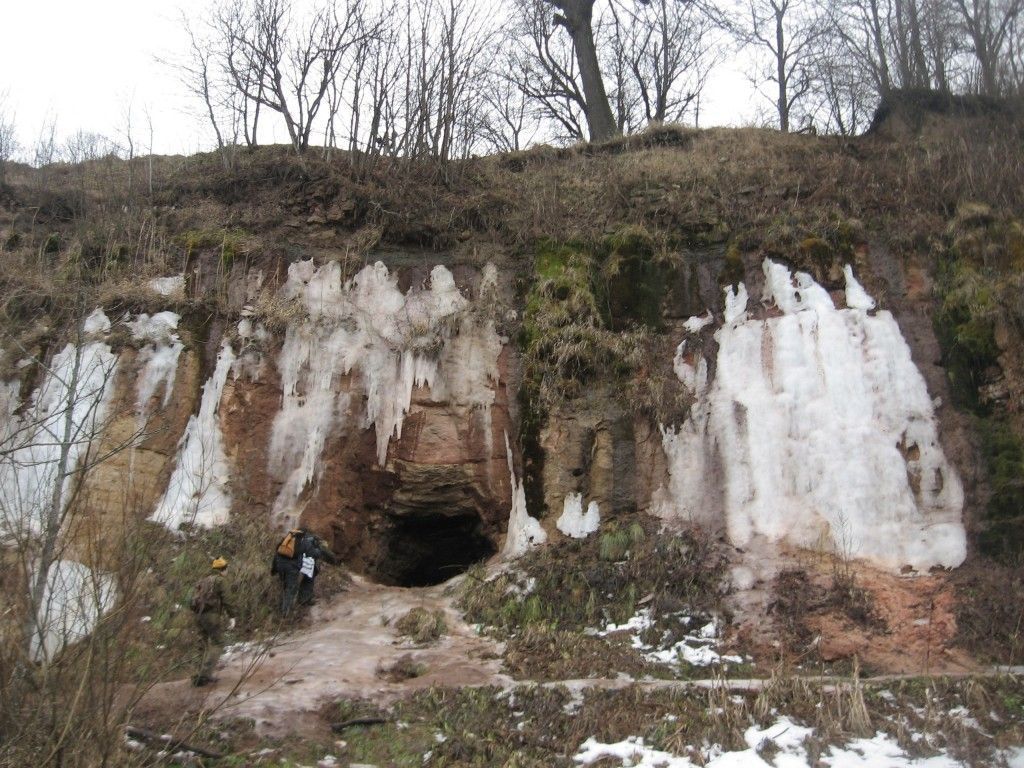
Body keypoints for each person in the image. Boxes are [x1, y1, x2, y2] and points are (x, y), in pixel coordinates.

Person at [271, 528, 337, 616]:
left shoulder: (288, 538)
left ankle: (282, 608)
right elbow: (313, 554)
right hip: (291, 566)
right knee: (291, 588)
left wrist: (274, 569)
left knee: (285, 586)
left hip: (280, 563)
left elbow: (278, 551)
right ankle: (286, 614)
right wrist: (319, 550)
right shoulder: (305, 541)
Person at [190, 557, 229, 687]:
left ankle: (196, 674)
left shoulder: (204, 580)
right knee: (219, 642)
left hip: (198, 615)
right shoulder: (220, 581)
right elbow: (228, 599)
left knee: (202, 643)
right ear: (224, 569)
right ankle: (205, 675)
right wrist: (233, 615)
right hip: (211, 616)